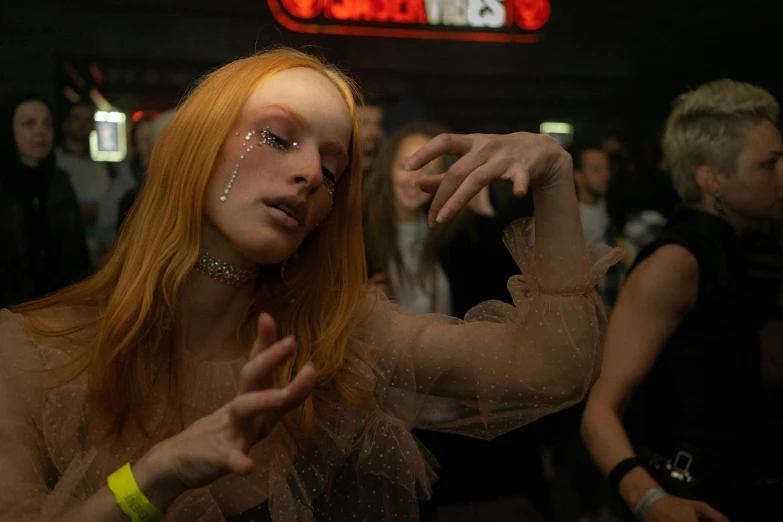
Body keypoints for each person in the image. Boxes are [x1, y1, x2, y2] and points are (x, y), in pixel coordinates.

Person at [0, 48, 619, 522]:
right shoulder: (33, 352)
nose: (308, 176)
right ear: (196, 143)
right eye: (277, 137)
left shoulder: (337, 339)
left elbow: (550, 368)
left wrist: (554, 180)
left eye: (331, 169)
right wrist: (157, 475)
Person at [581, 79, 783, 522]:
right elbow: (599, 411)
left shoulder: (733, 252)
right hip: (690, 497)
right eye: (770, 164)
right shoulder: (678, 260)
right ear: (712, 179)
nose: (782, 174)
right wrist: (650, 501)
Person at [0, 93, 92, 309]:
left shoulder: (60, 182)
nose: (40, 132)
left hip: (58, 310)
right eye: (29, 124)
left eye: (47, 124)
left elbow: (76, 255)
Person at [364, 121, 454, 315]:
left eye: (429, 172)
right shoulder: (361, 232)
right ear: (389, 167)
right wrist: (362, 299)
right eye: (406, 166)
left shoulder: (446, 235)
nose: (415, 181)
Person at [55, 101, 113, 266]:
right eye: (77, 119)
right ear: (66, 123)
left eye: (87, 120)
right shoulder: (55, 163)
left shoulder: (101, 167)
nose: (82, 125)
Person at [96, 115, 154, 252]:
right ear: (136, 146)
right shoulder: (122, 186)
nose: (152, 146)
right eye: (146, 141)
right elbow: (105, 232)